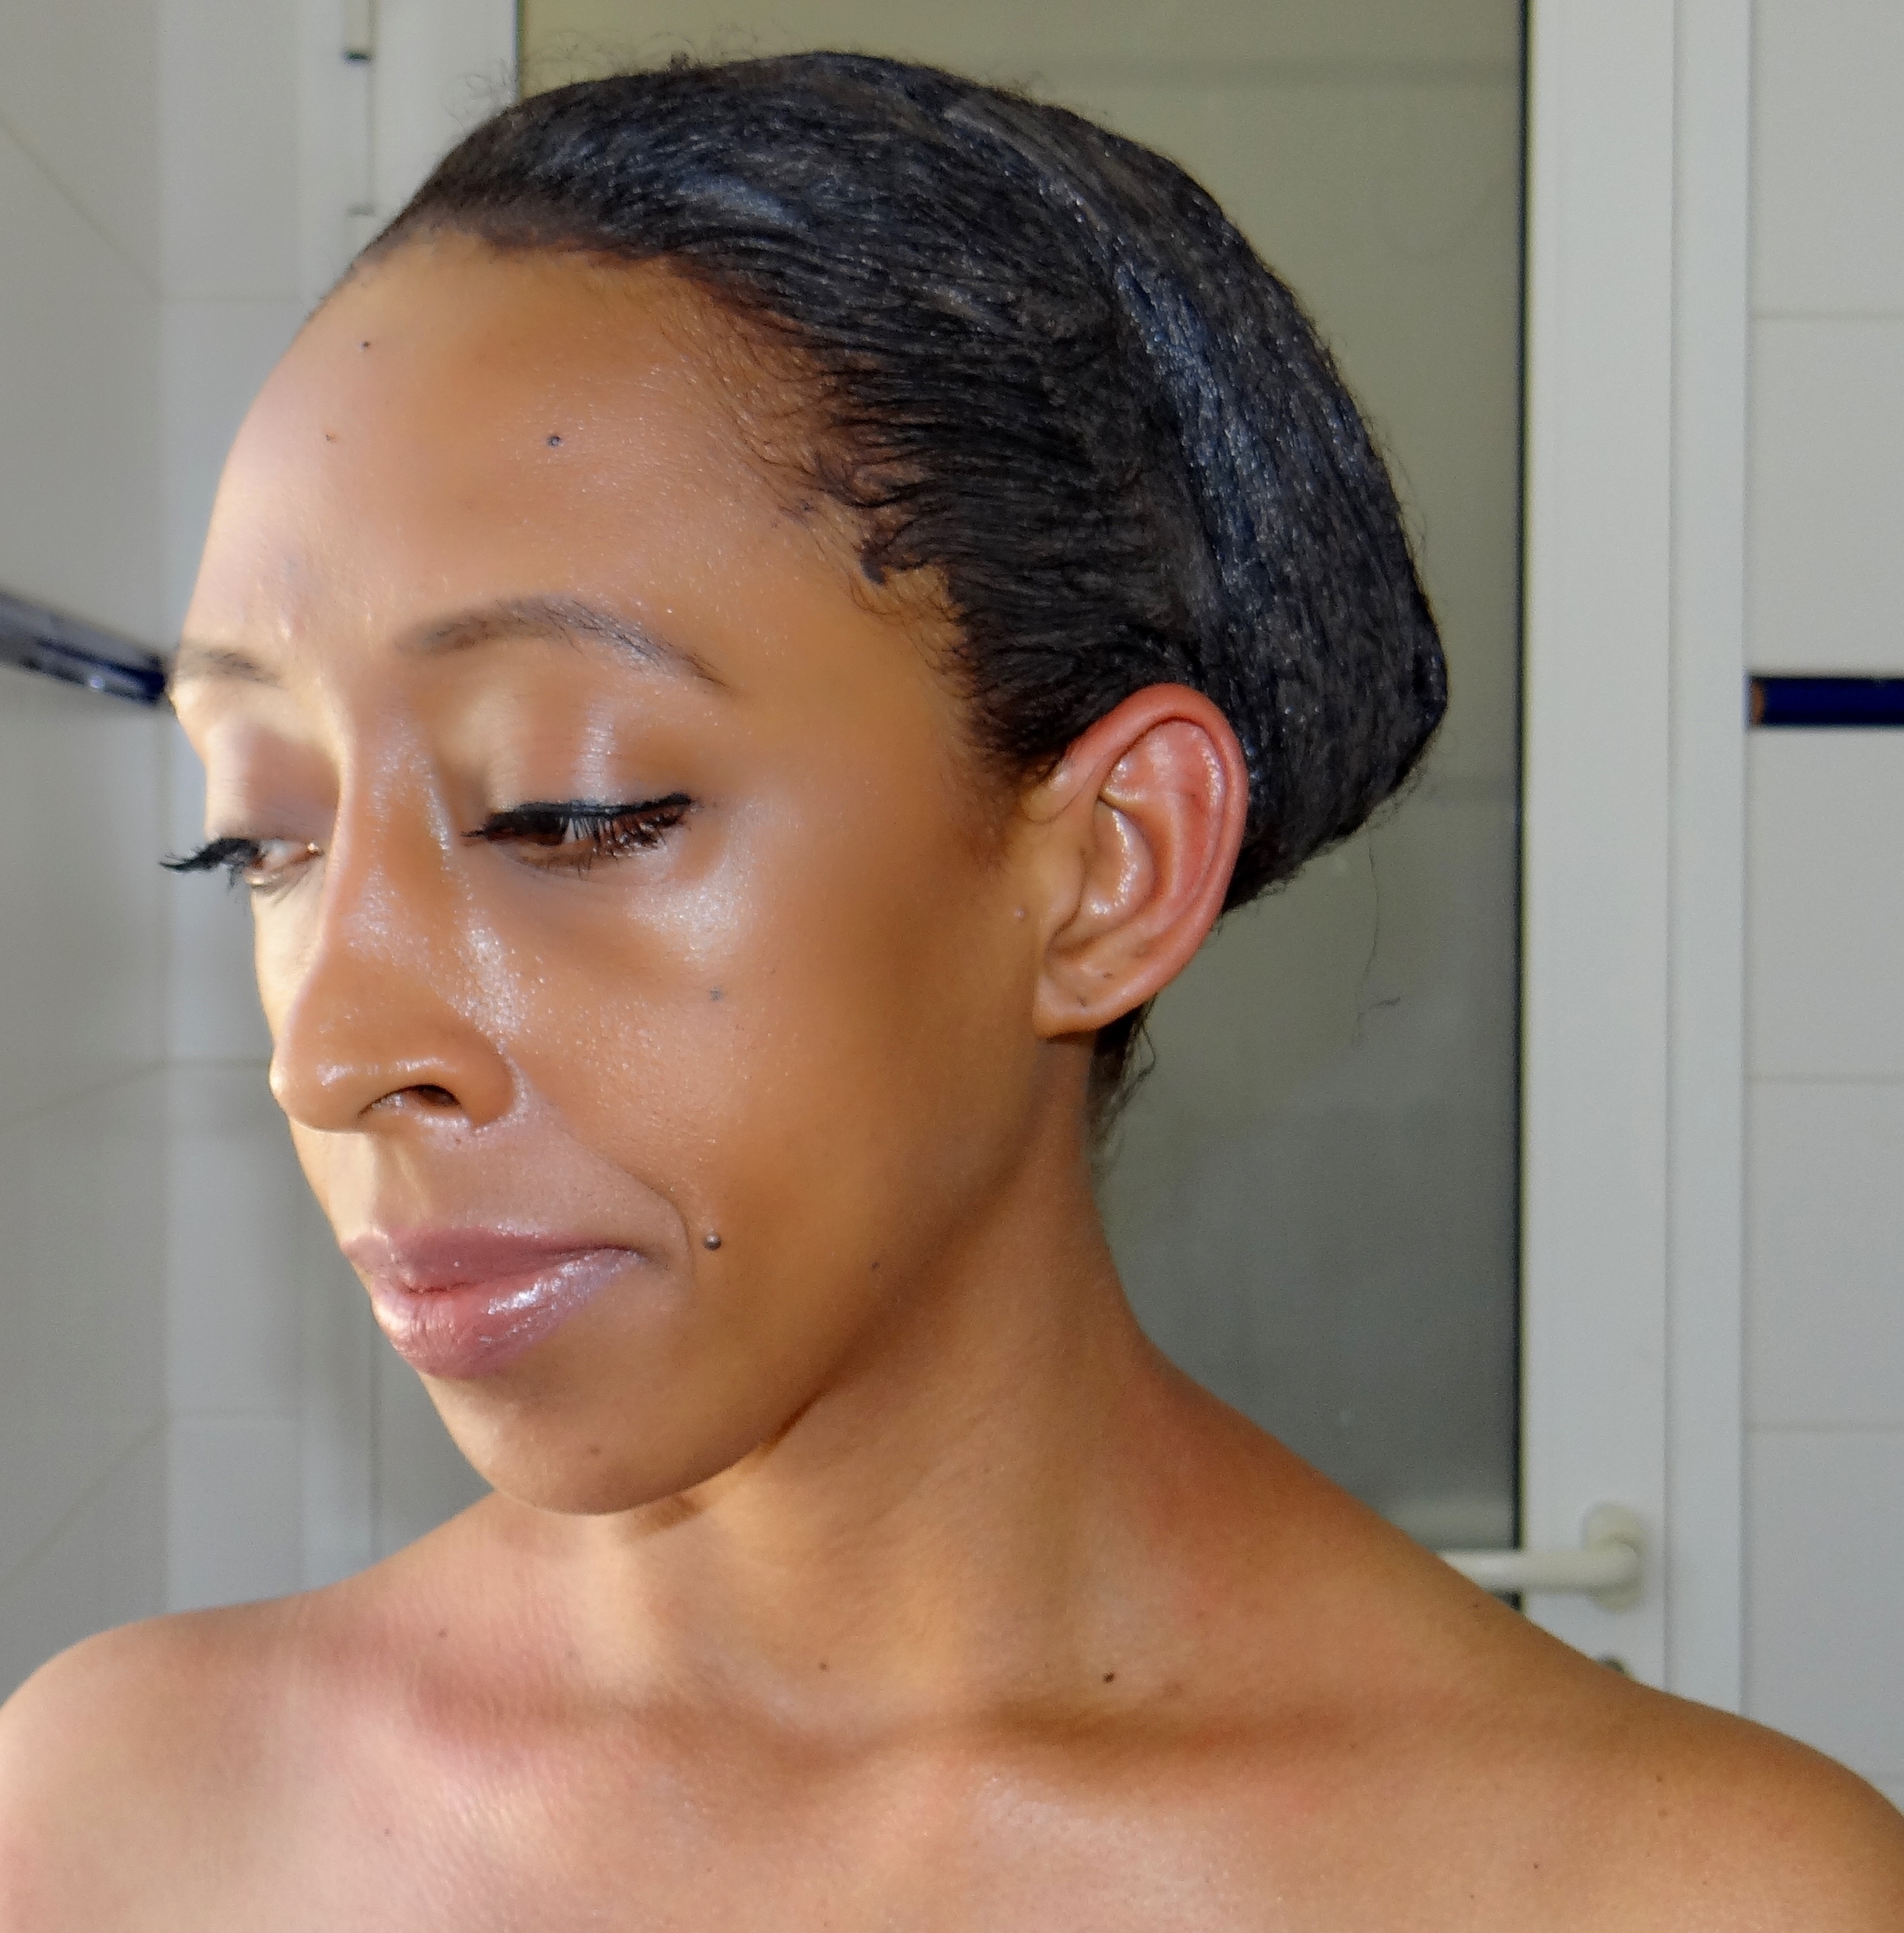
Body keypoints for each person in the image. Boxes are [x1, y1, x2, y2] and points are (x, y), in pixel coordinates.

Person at [2, 53, 1899, 1929]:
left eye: (569, 811)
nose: (329, 1053)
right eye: (258, 836)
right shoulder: (112, 1826)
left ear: (1108, 866)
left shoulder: (1689, 1895)